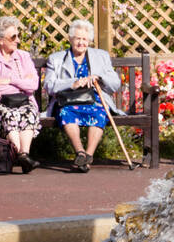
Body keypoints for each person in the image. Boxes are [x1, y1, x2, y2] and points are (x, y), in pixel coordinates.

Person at [44, 19, 121, 173]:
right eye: (78, 38)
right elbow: (49, 85)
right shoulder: (57, 59)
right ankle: (80, 152)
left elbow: (115, 84)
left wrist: (99, 77)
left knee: (99, 113)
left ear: (90, 41)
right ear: (71, 39)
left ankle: (88, 157)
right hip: (69, 100)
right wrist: (73, 83)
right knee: (66, 113)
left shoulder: (101, 56)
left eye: (85, 39)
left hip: (94, 99)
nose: (81, 43)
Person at [0, 16, 41, 173]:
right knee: (8, 114)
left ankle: (24, 155)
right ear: (0, 40)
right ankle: (23, 156)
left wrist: (9, 80)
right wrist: (21, 83)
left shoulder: (23, 56)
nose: (18, 40)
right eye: (13, 37)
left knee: (29, 112)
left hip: (23, 101)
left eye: (19, 36)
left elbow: (33, 86)